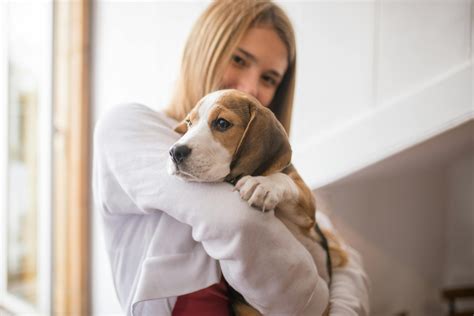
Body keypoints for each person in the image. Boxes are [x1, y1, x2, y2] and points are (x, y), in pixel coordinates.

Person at [93, 1, 369, 315]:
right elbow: (240, 223)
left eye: (269, 79)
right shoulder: (130, 126)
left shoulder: (267, 176)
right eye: (239, 59)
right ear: (203, 49)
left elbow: (346, 261)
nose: (251, 87)